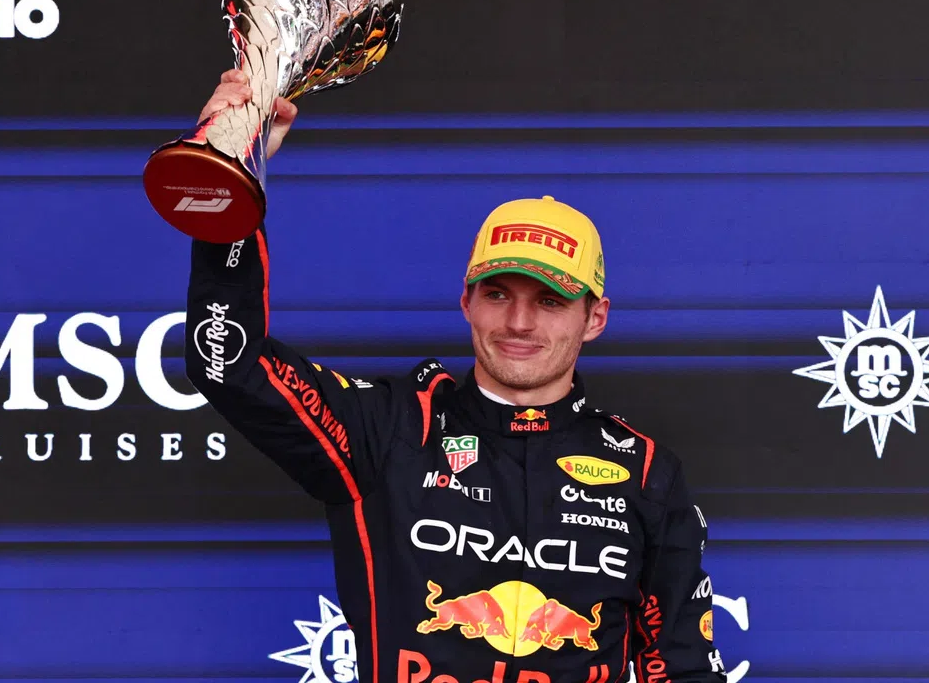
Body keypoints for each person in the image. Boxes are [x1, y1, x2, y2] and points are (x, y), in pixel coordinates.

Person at [185, 70, 727, 683]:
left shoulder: (646, 471)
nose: (519, 322)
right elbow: (228, 363)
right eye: (498, 294)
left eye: (549, 302)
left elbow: (682, 669)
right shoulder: (389, 428)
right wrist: (231, 176)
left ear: (594, 317)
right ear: (466, 301)